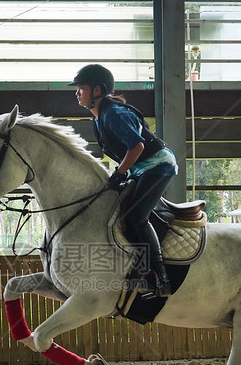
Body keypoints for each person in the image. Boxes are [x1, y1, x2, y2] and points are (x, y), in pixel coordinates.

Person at [68, 63, 177, 297]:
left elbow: (136, 146)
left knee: (135, 217)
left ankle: (158, 278)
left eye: (81, 87)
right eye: (77, 88)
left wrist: (119, 173)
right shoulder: (99, 117)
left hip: (158, 165)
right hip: (140, 169)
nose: (77, 92)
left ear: (98, 90)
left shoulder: (114, 114)